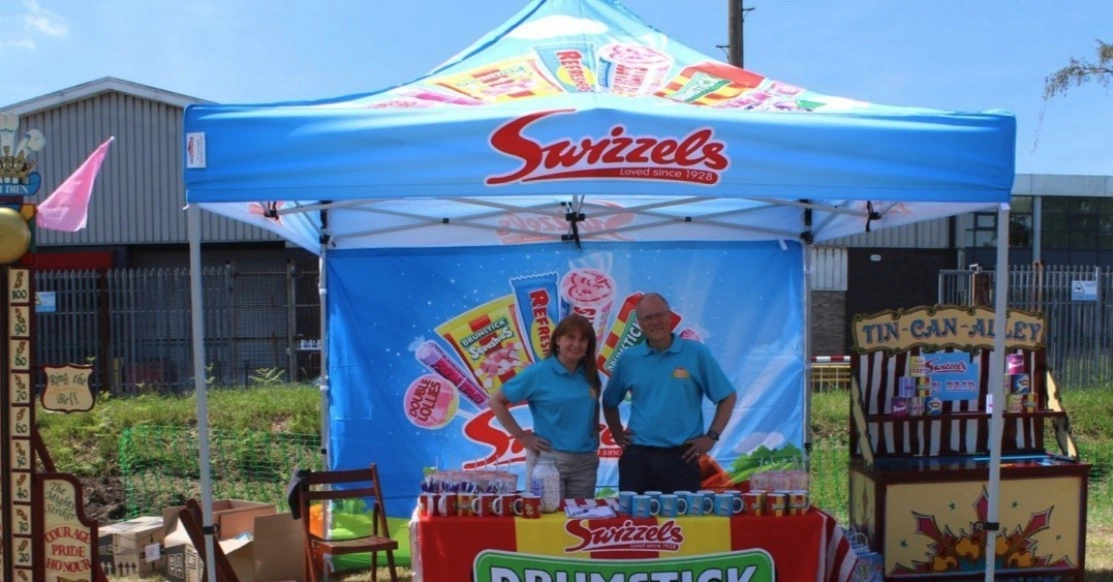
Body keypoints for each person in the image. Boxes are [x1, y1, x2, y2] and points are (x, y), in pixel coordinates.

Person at [602, 293, 737, 494]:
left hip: (682, 457)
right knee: (635, 523)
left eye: (659, 315)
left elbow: (727, 396)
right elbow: (609, 401)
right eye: (648, 318)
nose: (655, 322)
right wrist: (619, 435)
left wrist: (712, 436)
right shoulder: (629, 359)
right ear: (639, 323)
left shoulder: (696, 353)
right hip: (638, 459)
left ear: (670, 317)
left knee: (682, 524)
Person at [490, 314, 602, 500]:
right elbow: (496, 401)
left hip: (585, 462)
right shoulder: (539, 372)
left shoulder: (589, 373)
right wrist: (521, 436)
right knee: (547, 518)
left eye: (583, 339)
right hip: (549, 460)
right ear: (558, 340)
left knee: (579, 522)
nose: (577, 344)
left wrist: (593, 436)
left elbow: (592, 407)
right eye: (570, 337)